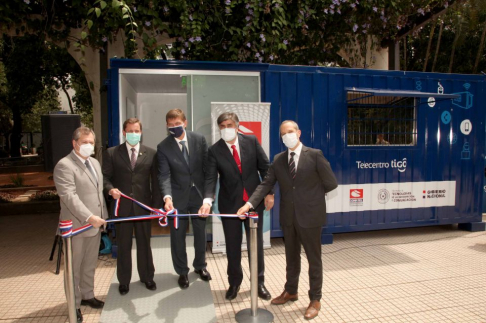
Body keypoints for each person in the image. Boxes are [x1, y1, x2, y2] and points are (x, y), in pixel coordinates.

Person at [237, 120, 338, 321]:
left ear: (299, 132)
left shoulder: (315, 155)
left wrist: (310, 199)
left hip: (310, 217)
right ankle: (291, 291)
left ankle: (315, 299)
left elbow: (330, 183)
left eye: (290, 132)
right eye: (283, 134)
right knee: (291, 258)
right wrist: (248, 205)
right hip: (288, 217)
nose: (287, 136)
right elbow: (266, 184)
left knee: (313, 259)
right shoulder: (278, 160)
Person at [198, 112, 274, 301]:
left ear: (237, 126)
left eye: (229, 125)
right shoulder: (214, 150)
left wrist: (270, 193)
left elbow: (266, 168)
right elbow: (209, 178)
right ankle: (234, 282)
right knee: (232, 246)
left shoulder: (251, 141)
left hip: (253, 202)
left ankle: (259, 282)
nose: (226, 129)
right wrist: (207, 201)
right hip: (229, 204)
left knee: (255, 245)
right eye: (222, 126)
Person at [53, 127, 108, 323]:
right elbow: (69, 196)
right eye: (84, 142)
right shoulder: (64, 165)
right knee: (73, 268)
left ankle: (87, 295)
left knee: (89, 265)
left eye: (91, 142)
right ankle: (73, 306)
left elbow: (97, 193)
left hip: (95, 225)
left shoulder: (94, 162)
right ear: (74, 143)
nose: (88, 146)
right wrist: (89, 217)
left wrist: (102, 217)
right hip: (77, 226)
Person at [102, 118, 160, 296]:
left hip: (143, 207)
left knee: (144, 243)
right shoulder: (112, 153)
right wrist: (111, 190)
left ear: (141, 133)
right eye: (130, 131)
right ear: (124, 133)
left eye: (137, 131)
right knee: (124, 244)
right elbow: (104, 178)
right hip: (122, 208)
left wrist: (156, 206)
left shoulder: (151, 153)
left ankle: (147, 277)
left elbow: (156, 182)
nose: (134, 134)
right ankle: (124, 281)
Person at [157, 109, 211, 289]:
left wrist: (208, 197)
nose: (174, 128)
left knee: (200, 233)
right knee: (178, 236)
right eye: (171, 125)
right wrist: (167, 197)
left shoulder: (199, 139)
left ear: (185, 123)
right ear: (166, 126)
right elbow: (164, 175)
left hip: (198, 196)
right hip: (177, 198)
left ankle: (200, 266)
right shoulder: (163, 147)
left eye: (177, 124)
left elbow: (207, 168)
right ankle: (182, 271)